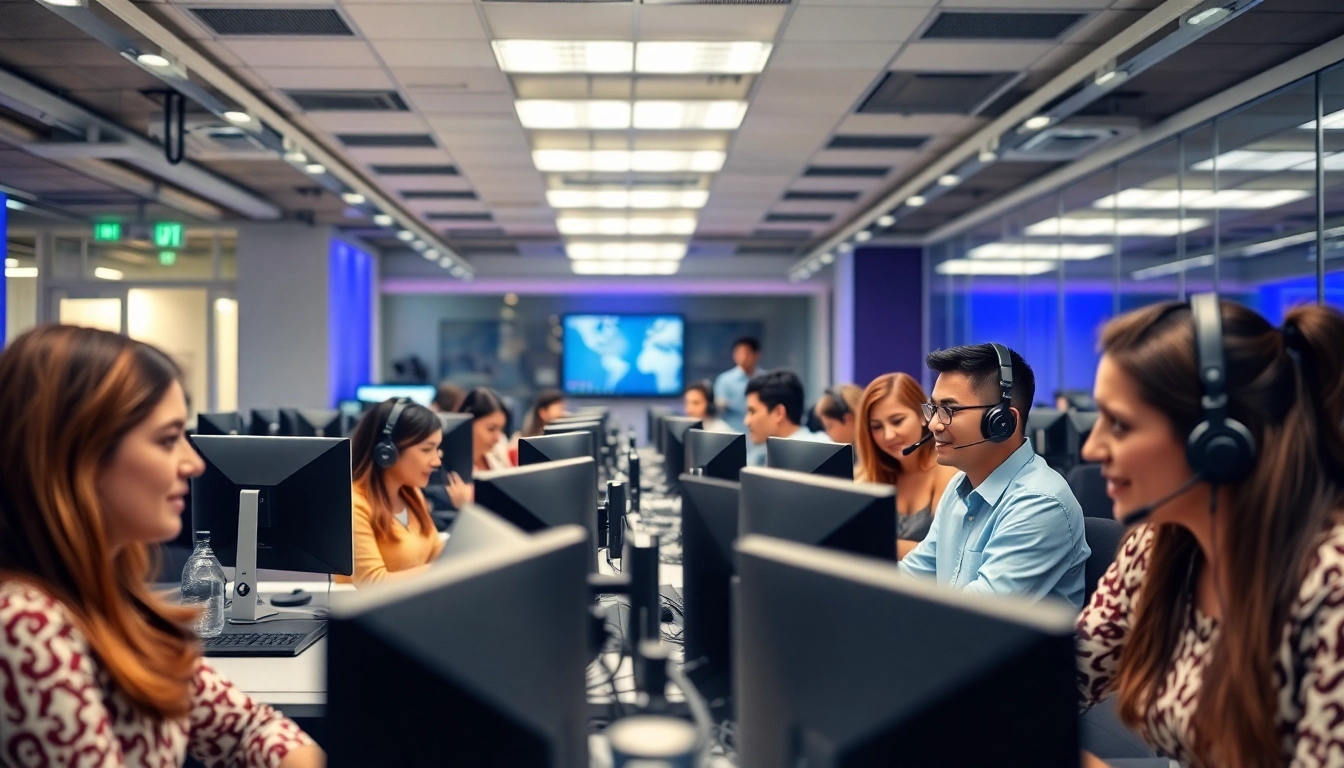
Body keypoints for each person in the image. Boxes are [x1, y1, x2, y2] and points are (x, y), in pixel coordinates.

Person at [0, 326, 322, 766]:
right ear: (81, 455)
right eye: (168, 440)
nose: (192, 464)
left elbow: (251, 728)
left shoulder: (112, 605)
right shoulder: (24, 626)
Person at [1076, 296, 1344, 768]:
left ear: (1218, 442)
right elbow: (1056, 681)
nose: (1093, 447)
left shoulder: (1330, 578)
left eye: (1119, 423)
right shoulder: (1157, 545)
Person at [898, 343, 1090, 608]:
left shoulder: (1040, 503)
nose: (933, 424)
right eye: (933, 409)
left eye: (949, 410)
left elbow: (975, 622)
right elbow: (911, 577)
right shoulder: (960, 487)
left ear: (1002, 422)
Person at [855, 373, 959, 557]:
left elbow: (942, 555)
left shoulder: (947, 470)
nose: (888, 435)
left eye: (897, 421)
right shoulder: (867, 474)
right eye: (876, 427)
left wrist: (872, 542)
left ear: (922, 415)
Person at [346, 398, 445, 586]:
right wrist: (445, 568)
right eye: (426, 449)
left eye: (437, 449)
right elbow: (372, 584)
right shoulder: (354, 505)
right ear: (387, 452)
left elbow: (433, 553)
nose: (437, 462)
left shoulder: (411, 493)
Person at [743, 369, 827, 467]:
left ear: (779, 413)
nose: (746, 421)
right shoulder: (760, 458)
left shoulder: (824, 452)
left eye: (752, 411)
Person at [446, 387, 511, 507]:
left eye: (500, 429)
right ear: (467, 423)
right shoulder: (448, 469)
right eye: (491, 429)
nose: (497, 437)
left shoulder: (498, 456)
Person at [713, 336, 762, 433]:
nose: (743, 357)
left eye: (747, 353)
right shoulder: (724, 380)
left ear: (757, 355)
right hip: (731, 431)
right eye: (739, 353)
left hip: (759, 431)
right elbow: (719, 408)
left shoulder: (765, 379)